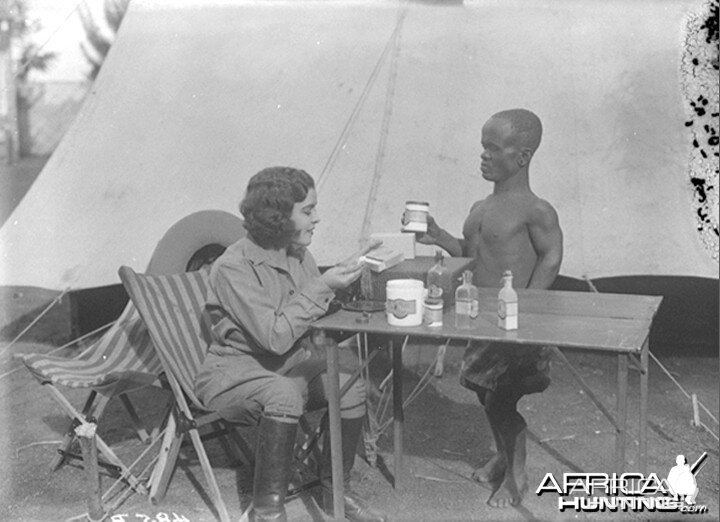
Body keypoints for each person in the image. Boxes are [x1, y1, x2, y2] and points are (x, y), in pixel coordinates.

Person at [195, 166, 387, 522]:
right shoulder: (233, 267)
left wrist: (352, 279)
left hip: (288, 370)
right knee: (283, 393)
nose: (317, 219)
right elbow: (276, 336)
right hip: (235, 376)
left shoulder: (299, 255)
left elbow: (313, 317)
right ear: (279, 217)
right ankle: (267, 512)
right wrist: (323, 286)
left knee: (350, 385)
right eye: (308, 210)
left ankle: (336, 493)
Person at [407, 108, 563, 508]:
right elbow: (471, 257)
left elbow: (551, 258)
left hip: (513, 322)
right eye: (482, 147)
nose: (483, 156)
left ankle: (517, 475)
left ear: (522, 157)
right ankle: (502, 456)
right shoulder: (479, 207)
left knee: (501, 400)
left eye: (493, 149)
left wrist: (526, 307)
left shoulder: (536, 210)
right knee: (484, 394)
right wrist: (440, 236)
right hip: (480, 318)